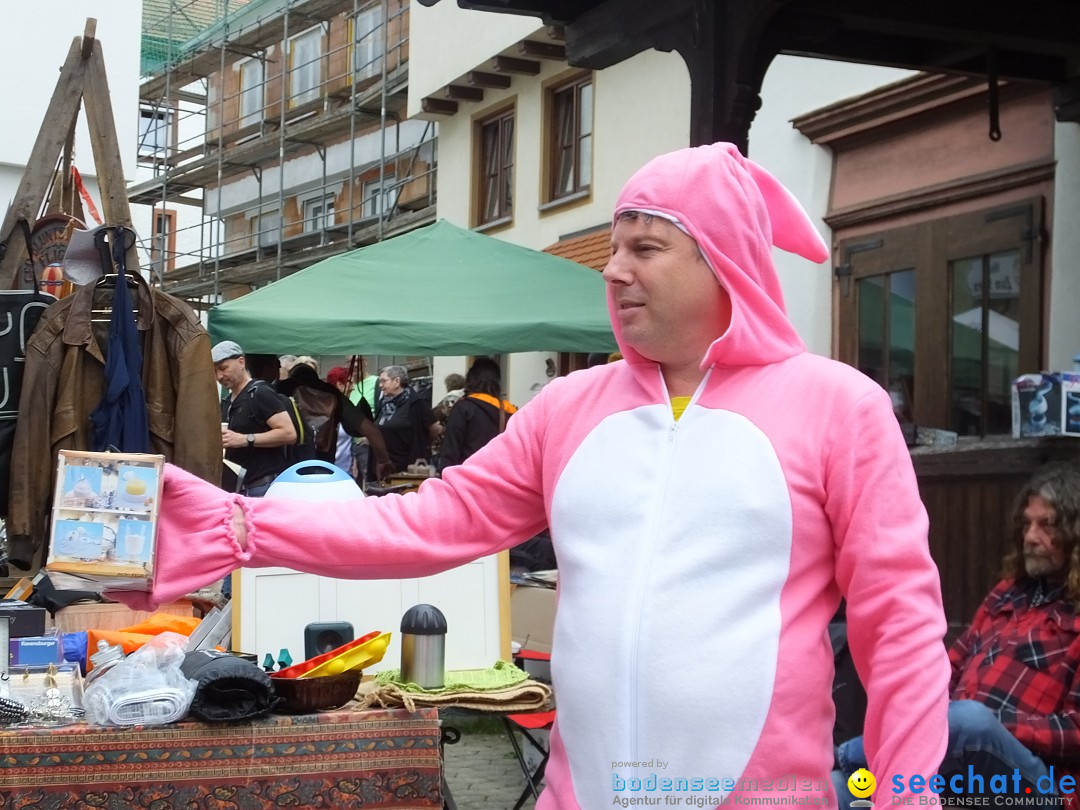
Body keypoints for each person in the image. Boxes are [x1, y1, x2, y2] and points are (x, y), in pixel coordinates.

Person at [114, 143, 949, 808]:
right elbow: (422, 524)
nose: (614, 270)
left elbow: (901, 633)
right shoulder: (567, 408)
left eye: (646, 248)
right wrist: (241, 528)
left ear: (724, 260)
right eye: (614, 248)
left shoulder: (841, 408)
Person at [834, 462, 1080, 805]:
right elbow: (946, 669)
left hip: (1041, 786)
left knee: (970, 720)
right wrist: (932, 713)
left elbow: (1076, 730)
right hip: (962, 757)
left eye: (1047, 525)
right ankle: (841, 773)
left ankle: (840, 756)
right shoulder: (1006, 594)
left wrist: (992, 723)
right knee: (837, 793)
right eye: (1026, 524)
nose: (1030, 537)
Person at [213, 340, 296, 497]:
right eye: (215, 371)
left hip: (262, 486)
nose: (219, 376)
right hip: (238, 487)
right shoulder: (227, 401)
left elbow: (289, 433)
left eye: (223, 368)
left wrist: (245, 439)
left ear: (241, 362)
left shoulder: (260, 393)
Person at [437, 357, 516, 471]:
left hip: (467, 479)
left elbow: (450, 452)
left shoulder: (462, 408)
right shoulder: (509, 411)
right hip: (496, 480)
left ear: (470, 380)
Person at [374, 364, 440, 473]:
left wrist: (423, 444)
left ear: (397, 381)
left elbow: (435, 428)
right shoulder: (383, 403)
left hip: (408, 465)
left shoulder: (416, 402)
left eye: (384, 381)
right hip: (385, 464)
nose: (380, 385)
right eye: (380, 382)